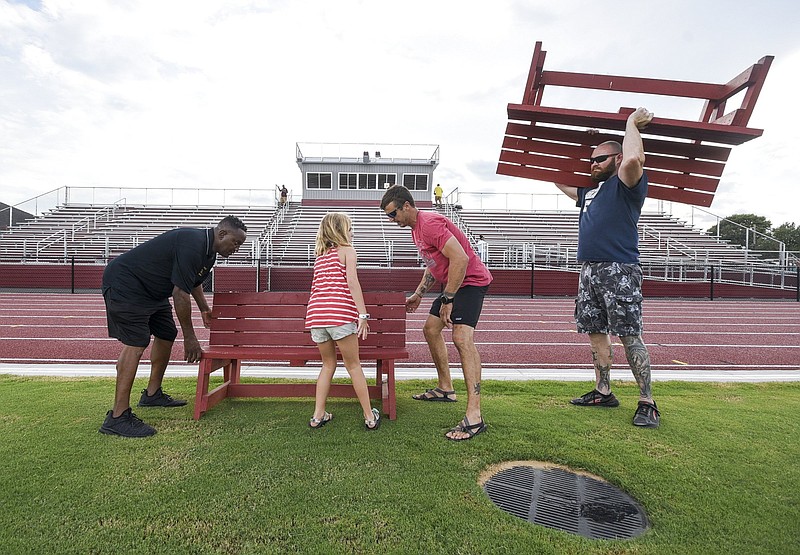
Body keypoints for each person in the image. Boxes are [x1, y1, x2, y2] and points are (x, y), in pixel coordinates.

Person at [554, 107, 660, 428]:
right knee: (595, 332)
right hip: (589, 270)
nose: (593, 164)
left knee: (629, 334)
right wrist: (577, 145)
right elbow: (557, 178)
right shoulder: (589, 192)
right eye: (590, 160)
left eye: (599, 159)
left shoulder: (626, 184)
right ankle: (603, 390)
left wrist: (630, 123)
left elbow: (632, 160)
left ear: (614, 159)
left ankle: (647, 400)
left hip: (619, 270)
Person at [99, 216, 248, 437]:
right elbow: (180, 293)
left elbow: (193, 281)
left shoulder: (209, 253)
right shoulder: (193, 242)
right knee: (137, 342)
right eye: (236, 243)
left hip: (152, 292)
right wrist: (191, 338)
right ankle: (118, 416)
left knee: (166, 333)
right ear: (222, 234)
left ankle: (152, 394)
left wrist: (204, 308)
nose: (237, 249)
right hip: (127, 284)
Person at [381, 185, 492, 440]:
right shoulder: (415, 230)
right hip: (454, 284)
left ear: (406, 206)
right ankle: (446, 388)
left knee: (462, 338)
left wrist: (449, 299)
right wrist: (419, 293)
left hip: (470, 282)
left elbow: (461, 260)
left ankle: (474, 416)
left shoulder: (429, 223)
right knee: (430, 329)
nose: (391, 220)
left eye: (393, 214)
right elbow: (433, 264)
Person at [305, 212, 381, 431]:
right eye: (349, 228)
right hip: (338, 316)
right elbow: (352, 283)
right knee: (354, 365)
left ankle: (318, 415)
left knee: (327, 365)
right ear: (340, 230)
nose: (352, 232)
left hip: (317, 317)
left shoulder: (320, 254)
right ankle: (369, 416)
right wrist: (363, 315)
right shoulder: (348, 251)